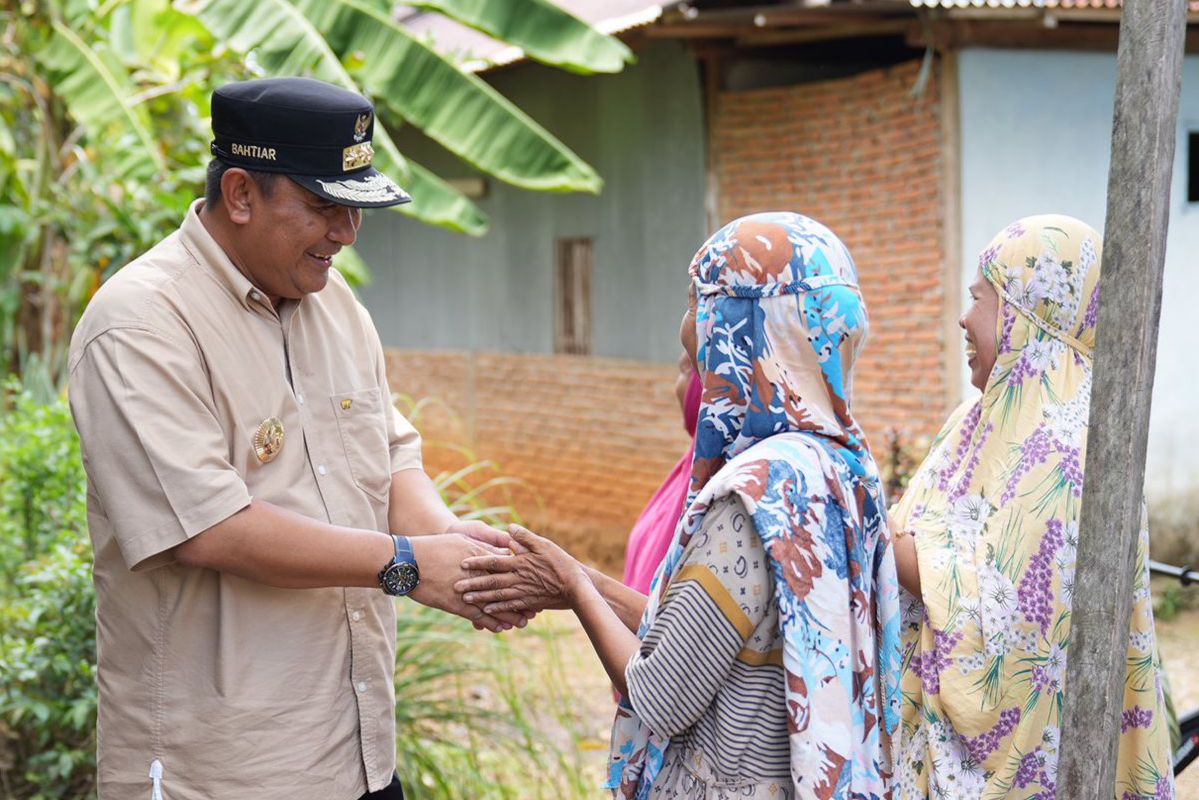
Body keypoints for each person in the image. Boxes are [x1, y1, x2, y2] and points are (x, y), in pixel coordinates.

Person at [67, 77, 523, 800]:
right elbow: (211, 529)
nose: (344, 234)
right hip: (223, 769)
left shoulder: (333, 303)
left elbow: (390, 456)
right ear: (242, 194)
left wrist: (449, 545)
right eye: (322, 207)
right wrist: (409, 564)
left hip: (357, 752)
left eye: (355, 210)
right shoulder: (141, 324)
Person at [457, 212, 902, 799]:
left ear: (745, 328)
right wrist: (582, 578)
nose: (685, 327)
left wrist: (571, 586)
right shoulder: (842, 468)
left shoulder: (754, 497)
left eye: (699, 302)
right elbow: (713, 639)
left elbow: (658, 696)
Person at [888, 215, 1176, 799]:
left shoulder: (1071, 453)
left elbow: (1006, 638)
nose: (964, 319)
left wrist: (864, 530)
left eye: (979, 299)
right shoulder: (973, 423)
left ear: (1027, 314)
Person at [622, 353, 701, 595]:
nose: (676, 386)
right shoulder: (687, 473)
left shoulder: (717, 487)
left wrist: (574, 583)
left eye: (685, 370)